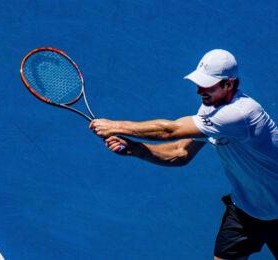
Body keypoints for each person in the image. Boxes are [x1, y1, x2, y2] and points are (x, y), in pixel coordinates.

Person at [89, 49, 278, 259]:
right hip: (244, 210)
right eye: (199, 84)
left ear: (229, 84)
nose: (199, 91)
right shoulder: (209, 111)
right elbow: (180, 153)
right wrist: (135, 148)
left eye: (207, 85)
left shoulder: (241, 113)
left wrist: (115, 126)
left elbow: (171, 130)